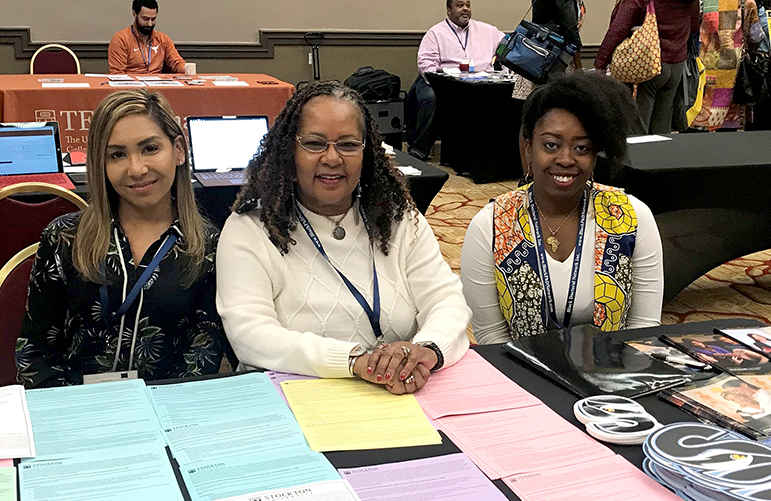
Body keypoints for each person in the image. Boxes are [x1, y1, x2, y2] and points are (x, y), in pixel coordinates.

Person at [217, 81, 471, 394]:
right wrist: (356, 361)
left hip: (399, 397)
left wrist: (424, 351)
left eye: (348, 145)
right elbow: (250, 334)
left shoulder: (397, 217)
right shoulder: (251, 228)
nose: (332, 158)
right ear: (289, 150)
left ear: (367, 152)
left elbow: (446, 300)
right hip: (293, 402)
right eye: (314, 144)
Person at [16, 90, 226, 388]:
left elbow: (202, 354)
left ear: (178, 150)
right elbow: (35, 349)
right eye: (117, 154)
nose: (136, 169)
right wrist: (65, 414)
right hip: (74, 408)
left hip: (165, 412)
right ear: (100, 164)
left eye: (150, 148)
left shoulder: (208, 246)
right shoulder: (64, 238)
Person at [461, 74, 663, 344]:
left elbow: (644, 330)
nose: (566, 159)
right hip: (521, 374)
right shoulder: (491, 226)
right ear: (529, 147)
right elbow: (491, 336)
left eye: (581, 147)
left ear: (595, 154)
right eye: (551, 145)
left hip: (614, 375)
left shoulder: (632, 218)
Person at [406, 0, 504, 160]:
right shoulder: (436, 33)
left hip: (478, 84)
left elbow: (506, 45)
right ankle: (419, 149)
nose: (465, 9)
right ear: (449, 10)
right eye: (460, 5)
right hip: (441, 83)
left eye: (468, 5)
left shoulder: (488, 31)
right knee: (434, 98)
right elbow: (426, 64)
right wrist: (444, 79)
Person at [594, 0, 700, 134]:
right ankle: (660, 154)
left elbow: (618, 29)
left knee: (638, 126)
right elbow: (694, 26)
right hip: (676, 64)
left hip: (646, 64)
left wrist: (600, 64)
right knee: (662, 126)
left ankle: (640, 155)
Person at [691, 0, 760, 130]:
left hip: (707, 63)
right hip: (735, 65)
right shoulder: (748, 2)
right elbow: (756, 36)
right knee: (730, 116)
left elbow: (692, 26)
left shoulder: (705, 1)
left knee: (702, 108)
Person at [108, 0, 186, 75]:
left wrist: (186, 69)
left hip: (156, 85)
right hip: (132, 86)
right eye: (145, 19)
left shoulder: (163, 39)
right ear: (134, 14)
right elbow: (117, 74)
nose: (149, 24)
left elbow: (177, 62)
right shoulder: (120, 39)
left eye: (153, 19)